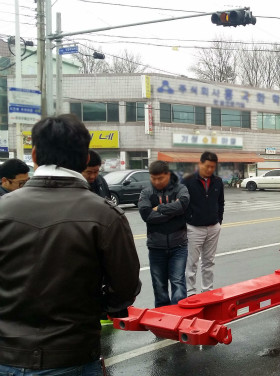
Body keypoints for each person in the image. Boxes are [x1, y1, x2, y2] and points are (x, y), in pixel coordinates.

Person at [0, 114, 141, 375]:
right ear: (86, 158)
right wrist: (95, 306)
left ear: (34, 155)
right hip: (72, 355)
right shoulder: (106, 215)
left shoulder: (3, 208)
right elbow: (125, 289)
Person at [139, 160, 190, 307]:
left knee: (178, 283)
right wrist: (172, 212)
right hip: (156, 247)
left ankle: (180, 316)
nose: (156, 182)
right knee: (159, 286)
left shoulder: (180, 188)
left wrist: (159, 208)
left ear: (168, 175)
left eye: (160, 178)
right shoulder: (146, 192)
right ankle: (163, 318)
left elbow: (183, 205)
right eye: (153, 178)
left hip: (178, 246)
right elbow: (146, 215)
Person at [182, 151, 225, 296]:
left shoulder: (218, 181)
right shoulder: (188, 181)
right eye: (207, 166)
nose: (210, 170)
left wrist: (219, 220)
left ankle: (207, 291)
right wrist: (189, 219)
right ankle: (191, 292)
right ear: (200, 164)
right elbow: (182, 204)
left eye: (213, 167)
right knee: (191, 262)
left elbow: (221, 203)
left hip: (213, 227)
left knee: (209, 262)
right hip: (194, 228)